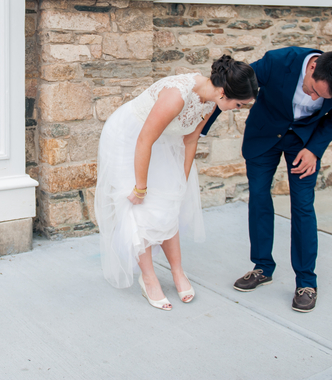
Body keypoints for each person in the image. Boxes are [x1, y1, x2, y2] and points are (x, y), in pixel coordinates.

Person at [95, 55, 259, 311]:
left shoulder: (210, 101)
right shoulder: (177, 96)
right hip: (129, 138)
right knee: (139, 206)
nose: (239, 109)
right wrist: (140, 187)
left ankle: (177, 271)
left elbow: (190, 141)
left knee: (168, 202)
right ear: (225, 92)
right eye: (239, 105)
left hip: (161, 140)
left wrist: (180, 182)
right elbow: (143, 141)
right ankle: (148, 278)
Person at [202, 47, 332, 313]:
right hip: (264, 136)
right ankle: (262, 267)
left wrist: (315, 149)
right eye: (313, 90)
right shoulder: (277, 62)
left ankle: (307, 282)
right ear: (312, 67)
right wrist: (199, 131)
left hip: (304, 144)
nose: (313, 98)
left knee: (303, 206)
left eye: (321, 97)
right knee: (260, 199)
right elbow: (231, 87)